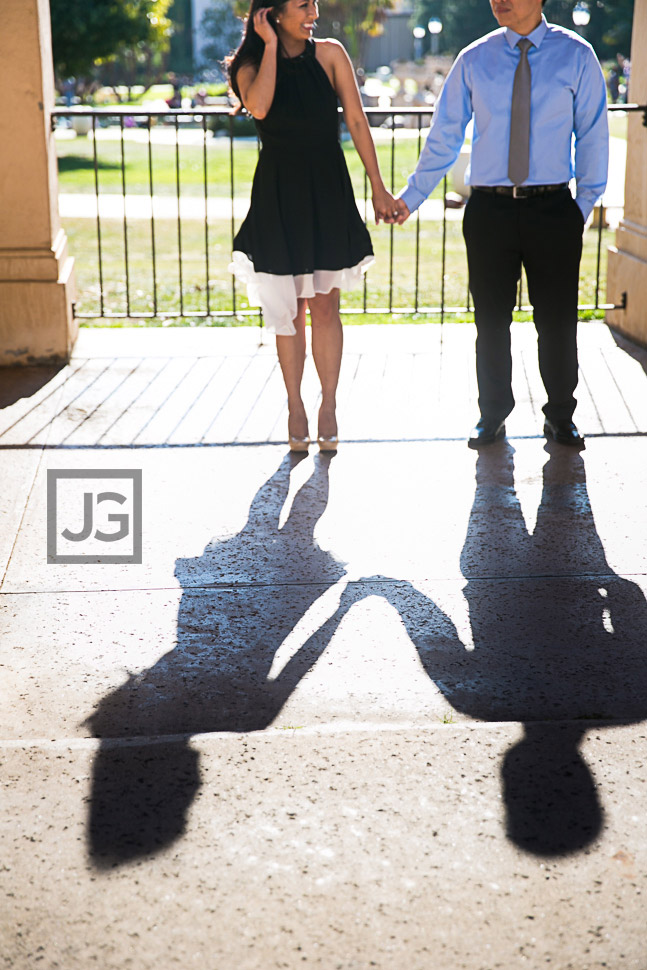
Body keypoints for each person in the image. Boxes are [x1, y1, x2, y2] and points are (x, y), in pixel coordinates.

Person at [390, 0, 609, 449]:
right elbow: (446, 134)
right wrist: (411, 197)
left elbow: (592, 134)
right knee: (490, 321)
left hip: (553, 210)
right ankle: (491, 415)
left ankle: (561, 416)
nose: (497, 0)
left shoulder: (577, 56)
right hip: (489, 211)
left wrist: (580, 209)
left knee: (558, 321)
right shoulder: (474, 59)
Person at [227, 0, 397, 451]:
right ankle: (295, 405)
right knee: (288, 314)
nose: (314, 13)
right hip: (279, 195)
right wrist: (266, 47)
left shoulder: (331, 55)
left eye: (314, 4)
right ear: (272, 13)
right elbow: (260, 108)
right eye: (303, 5)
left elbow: (357, 121)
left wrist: (378, 188)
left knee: (325, 307)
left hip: (326, 190)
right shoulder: (248, 65)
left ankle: (329, 403)